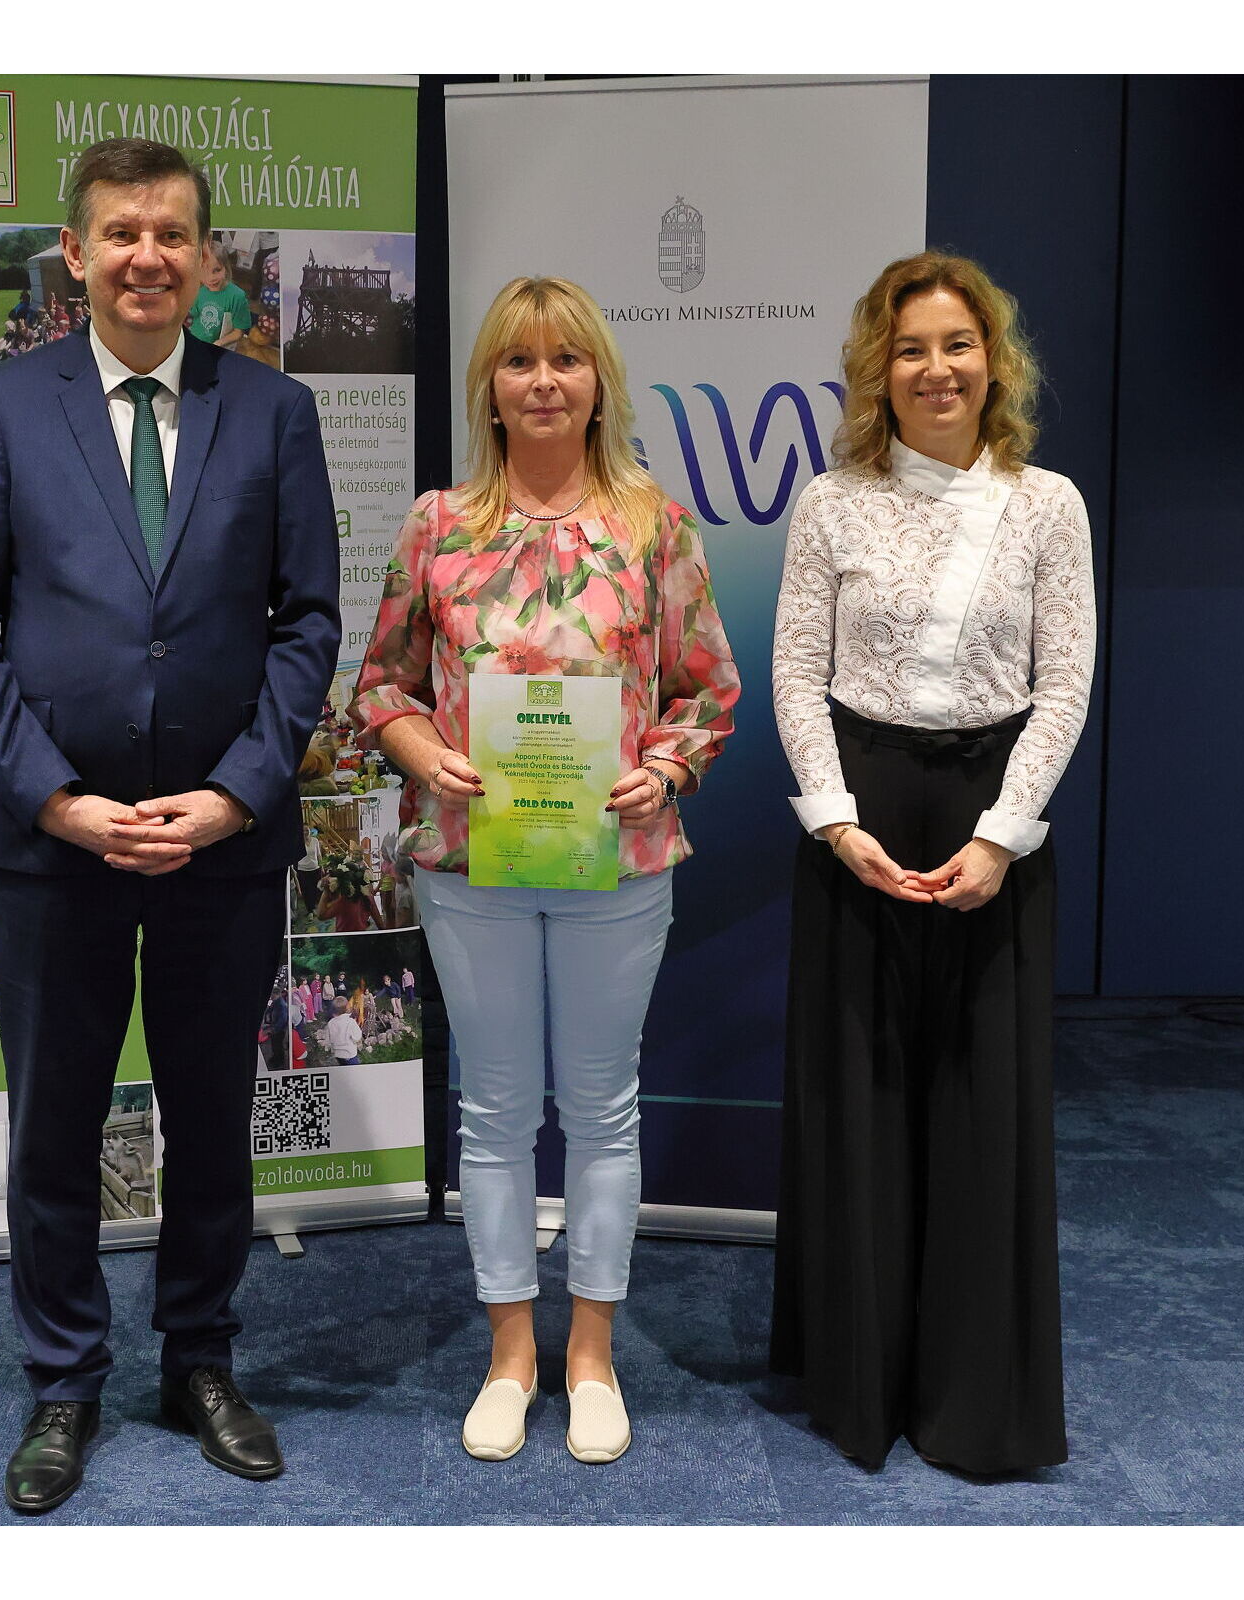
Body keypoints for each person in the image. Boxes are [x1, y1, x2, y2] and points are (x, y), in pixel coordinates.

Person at [0, 136, 339, 1514]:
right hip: (54, 842)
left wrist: (236, 794)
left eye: (171, 234)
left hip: (223, 842)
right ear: (75, 253)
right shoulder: (0, 407)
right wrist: (57, 795)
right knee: (54, 1125)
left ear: (205, 256)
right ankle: (64, 1380)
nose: (147, 257)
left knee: (212, 1119)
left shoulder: (272, 410)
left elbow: (307, 624)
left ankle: (200, 1361)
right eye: (121, 234)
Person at [350, 275, 739, 1464]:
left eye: (565, 359)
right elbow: (382, 684)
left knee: (604, 1106)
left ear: (597, 381)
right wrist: (423, 750)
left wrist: (663, 770)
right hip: (471, 861)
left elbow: (706, 693)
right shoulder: (436, 525)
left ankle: (592, 1357)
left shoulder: (654, 526)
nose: (543, 381)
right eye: (519, 361)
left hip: (615, 861)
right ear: (489, 387)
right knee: (496, 1109)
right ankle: (512, 1354)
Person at [768, 251, 1096, 1475]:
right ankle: (861, 1381)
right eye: (910, 348)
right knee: (859, 1100)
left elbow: (1063, 685)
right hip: (857, 814)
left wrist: (1001, 834)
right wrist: (833, 818)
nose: (936, 368)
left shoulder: (1047, 505)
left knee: (978, 1104)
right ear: (878, 367)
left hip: (991, 818)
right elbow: (796, 671)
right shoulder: (829, 503)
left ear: (992, 362)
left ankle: (971, 1400)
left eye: (957, 344)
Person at [188, 239, 251, 349]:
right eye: (203, 272)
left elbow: (239, 331)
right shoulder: (198, 291)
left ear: (226, 268)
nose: (211, 278)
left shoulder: (237, 296)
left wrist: (219, 343)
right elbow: (193, 315)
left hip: (219, 348)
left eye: (217, 270)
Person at [323, 996, 362, 1065]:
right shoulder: (350, 1022)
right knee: (354, 1069)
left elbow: (328, 1038)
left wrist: (328, 1047)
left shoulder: (331, 1022)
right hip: (349, 1054)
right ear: (346, 1009)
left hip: (337, 1054)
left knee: (343, 1066)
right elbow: (357, 1037)